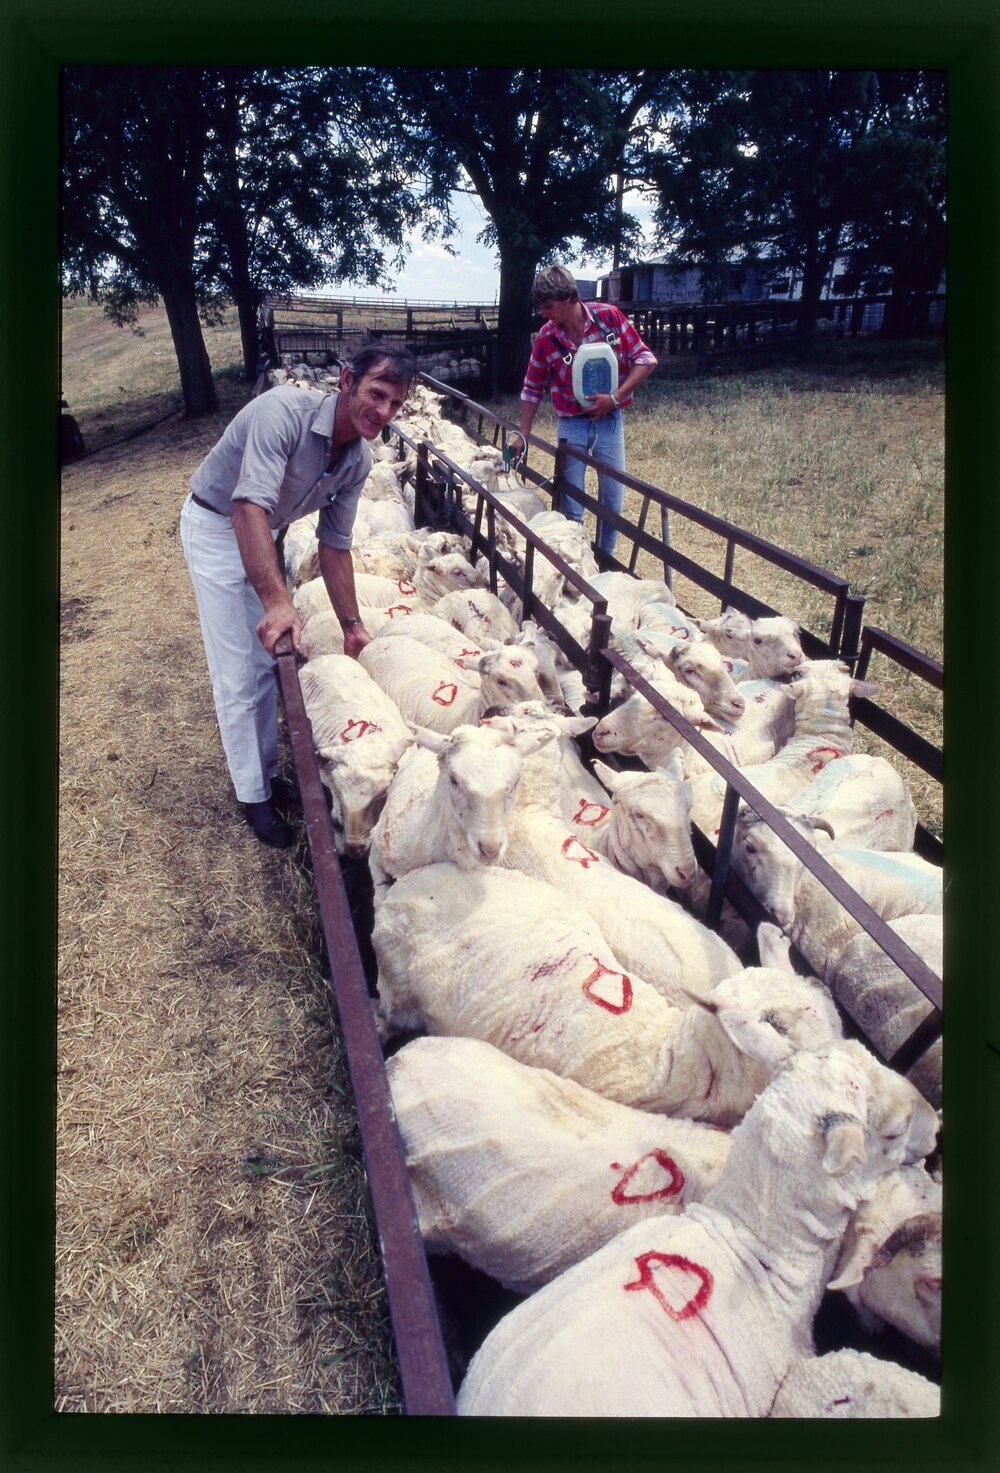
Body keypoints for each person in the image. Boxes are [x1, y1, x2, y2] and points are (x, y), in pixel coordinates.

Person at [180, 342, 416, 848]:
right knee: (238, 669)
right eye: (376, 393)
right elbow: (247, 507)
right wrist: (277, 600)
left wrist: (352, 625)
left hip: (265, 529)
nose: (384, 412)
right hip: (220, 523)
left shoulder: (357, 459)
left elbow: (334, 546)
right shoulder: (282, 412)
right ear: (347, 381)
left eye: (396, 404)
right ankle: (253, 797)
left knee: (268, 662)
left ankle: (265, 776)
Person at [508, 265, 658, 558]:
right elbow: (532, 388)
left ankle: (604, 560)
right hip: (571, 424)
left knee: (612, 499)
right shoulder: (546, 337)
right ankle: (575, 562)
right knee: (570, 501)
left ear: (568, 298)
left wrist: (614, 399)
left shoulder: (608, 318)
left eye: (548, 307)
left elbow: (645, 359)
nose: (544, 314)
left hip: (609, 421)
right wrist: (523, 435)